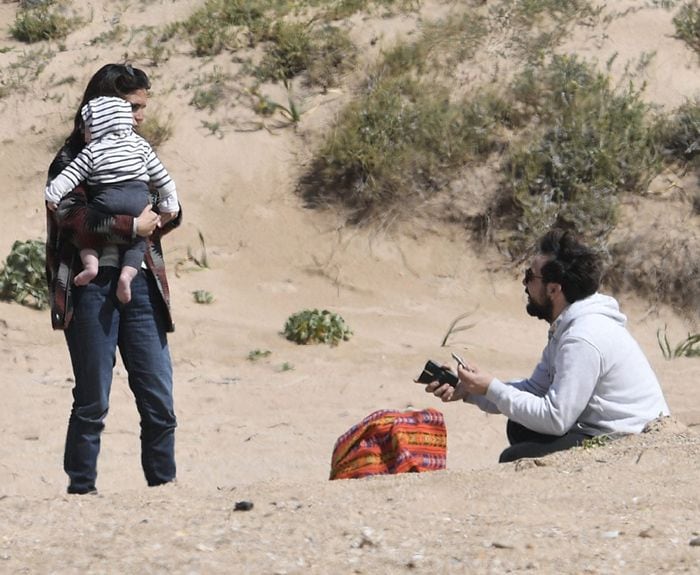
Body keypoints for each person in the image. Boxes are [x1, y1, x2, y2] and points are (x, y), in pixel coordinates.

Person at [45, 63, 181, 494]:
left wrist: (157, 216)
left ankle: (164, 489)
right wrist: (130, 226)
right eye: (134, 106)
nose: (141, 117)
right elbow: (68, 214)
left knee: (159, 398)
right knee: (92, 400)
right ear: (105, 106)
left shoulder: (139, 151)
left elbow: (168, 206)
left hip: (141, 283)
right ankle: (81, 490)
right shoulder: (71, 158)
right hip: (88, 289)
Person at [425, 229, 670, 463]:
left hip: (631, 439)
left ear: (554, 289)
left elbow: (556, 419)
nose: (525, 283)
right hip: (602, 428)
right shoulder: (568, 325)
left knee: (513, 457)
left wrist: (491, 388)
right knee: (520, 425)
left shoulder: (582, 337)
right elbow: (535, 390)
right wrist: (469, 389)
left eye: (531, 276)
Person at [45, 95, 179, 304]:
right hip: (137, 200)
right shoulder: (141, 145)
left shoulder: (92, 150)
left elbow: (70, 176)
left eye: (88, 127)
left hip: (107, 200)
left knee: (87, 237)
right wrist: (169, 203)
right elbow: (163, 178)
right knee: (138, 243)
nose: (85, 132)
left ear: (100, 125)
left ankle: (91, 265)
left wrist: (52, 194)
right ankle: (127, 275)